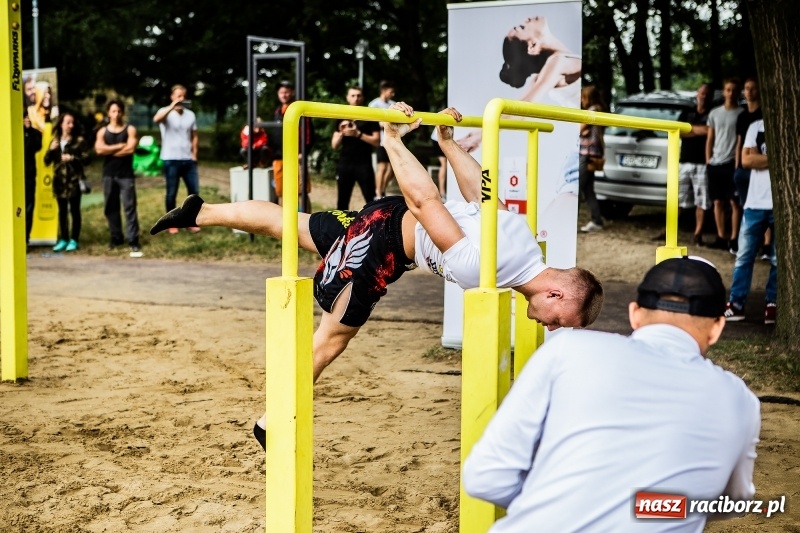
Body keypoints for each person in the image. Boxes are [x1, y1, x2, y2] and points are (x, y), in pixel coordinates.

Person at [150, 104, 604, 450]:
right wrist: (391, 138)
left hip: (382, 218)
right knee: (331, 338)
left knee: (292, 224)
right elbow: (426, 202)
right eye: (561, 319)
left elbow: (479, 187)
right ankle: (272, 420)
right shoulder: (484, 266)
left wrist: (447, 142)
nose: (550, 325)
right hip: (381, 245)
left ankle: (203, 211)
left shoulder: (521, 241)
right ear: (558, 292)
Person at [463, 256, 760, 532]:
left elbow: (485, 477)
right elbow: (733, 501)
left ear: (634, 314)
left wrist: (559, 505)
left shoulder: (567, 350)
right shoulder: (740, 400)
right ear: (717, 328)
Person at [457, 15, 581, 153]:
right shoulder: (557, 62)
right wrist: (482, 134)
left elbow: (519, 106)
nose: (526, 19)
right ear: (533, 46)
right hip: (585, 145)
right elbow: (522, 107)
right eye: (522, 27)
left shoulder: (552, 67)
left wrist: (481, 132)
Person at [724, 118, 776, 325]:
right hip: (754, 203)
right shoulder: (756, 126)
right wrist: (778, 157)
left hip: (780, 205)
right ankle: (736, 304)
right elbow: (746, 161)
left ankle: (772, 303)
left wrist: (759, 157)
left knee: (777, 260)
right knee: (744, 257)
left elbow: (753, 158)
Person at [94, 99, 143, 257]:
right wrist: (118, 147)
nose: (116, 114)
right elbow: (99, 150)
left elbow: (130, 149)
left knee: (129, 207)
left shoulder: (130, 129)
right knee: (111, 207)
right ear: (109, 112)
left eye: (119, 111)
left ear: (122, 112)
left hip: (126, 175)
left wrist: (109, 150)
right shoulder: (102, 132)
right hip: (109, 174)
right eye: (113, 111)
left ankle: (133, 240)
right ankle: (116, 237)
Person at [153, 84, 200, 234]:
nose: (181, 99)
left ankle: (191, 222)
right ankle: (171, 223)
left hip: (188, 160)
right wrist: (172, 107)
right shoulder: (164, 112)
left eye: (183, 96)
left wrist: (194, 154)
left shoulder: (190, 115)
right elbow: (156, 119)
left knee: (193, 193)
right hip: (170, 159)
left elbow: (194, 136)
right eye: (178, 96)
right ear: (172, 97)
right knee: (171, 193)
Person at [733, 78, 770, 260]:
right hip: (742, 169)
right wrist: (739, 165)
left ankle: (766, 245)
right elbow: (742, 148)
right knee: (745, 206)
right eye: (746, 88)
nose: (749, 92)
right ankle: (743, 244)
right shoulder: (742, 116)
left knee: (765, 206)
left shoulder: (763, 116)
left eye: (753, 88)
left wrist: (758, 157)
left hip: (763, 174)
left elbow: (754, 155)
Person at [44, 112, 91, 252]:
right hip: (59, 182)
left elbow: (87, 160)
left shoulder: (79, 141)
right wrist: (51, 150)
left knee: (75, 211)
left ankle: (74, 239)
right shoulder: (55, 140)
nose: (71, 125)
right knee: (62, 211)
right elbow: (46, 162)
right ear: (61, 124)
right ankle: (63, 238)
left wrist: (73, 158)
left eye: (72, 123)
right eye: (68, 122)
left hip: (74, 181)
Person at [706, 78, 743, 252]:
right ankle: (721, 236)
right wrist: (708, 159)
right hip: (715, 162)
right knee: (718, 202)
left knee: (734, 202)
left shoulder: (742, 113)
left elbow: (740, 140)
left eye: (734, 90)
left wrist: (737, 163)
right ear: (724, 91)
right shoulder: (714, 113)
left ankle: (734, 238)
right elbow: (710, 138)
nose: (731, 93)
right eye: (728, 90)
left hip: (731, 163)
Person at [676, 83, 714, 246]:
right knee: (676, 198)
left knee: (702, 200)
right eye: (701, 93)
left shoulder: (713, 113)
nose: (703, 96)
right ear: (697, 94)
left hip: (702, 163)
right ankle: (671, 231)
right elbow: (678, 131)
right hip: (683, 162)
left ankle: (697, 234)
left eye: (706, 94)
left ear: (710, 96)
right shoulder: (687, 111)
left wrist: (690, 130)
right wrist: (700, 130)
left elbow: (710, 131)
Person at [331, 86, 380, 209]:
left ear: (363, 97)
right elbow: (334, 145)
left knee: (371, 200)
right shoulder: (341, 116)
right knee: (342, 202)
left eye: (358, 95)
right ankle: (341, 228)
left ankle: (374, 226)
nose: (356, 98)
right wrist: (342, 132)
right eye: (353, 95)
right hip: (345, 164)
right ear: (347, 98)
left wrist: (357, 134)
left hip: (364, 164)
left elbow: (377, 141)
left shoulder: (370, 115)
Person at [269, 81, 314, 212]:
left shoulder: (298, 109)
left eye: (287, 91)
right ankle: (284, 227)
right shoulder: (277, 111)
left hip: (296, 157)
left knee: (301, 191)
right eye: (281, 92)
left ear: (292, 92)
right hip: (279, 158)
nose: (284, 94)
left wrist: (303, 153)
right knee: (281, 192)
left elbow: (308, 134)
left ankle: (306, 222)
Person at [577, 85, 606, 233]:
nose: (581, 101)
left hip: (586, 154)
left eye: (583, 97)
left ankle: (569, 222)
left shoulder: (593, 111)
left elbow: (580, 128)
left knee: (575, 188)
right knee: (588, 190)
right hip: (592, 154)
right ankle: (597, 220)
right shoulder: (599, 110)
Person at [368, 80, 397, 198]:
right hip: (381, 141)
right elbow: (372, 123)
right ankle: (378, 193)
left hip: (393, 140)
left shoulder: (393, 104)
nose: (393, 94)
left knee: (392, 169)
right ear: (384, 91)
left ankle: (382, 189)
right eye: (391, 92)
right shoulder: (374, 105)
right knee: (382, 167)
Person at [23, 106, 43, 245]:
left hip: (29, 175)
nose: (26, 120)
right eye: (24, 118)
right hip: (14, 177)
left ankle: (26, 238)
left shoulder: (35, 134)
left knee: (29, 207)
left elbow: (35, 146)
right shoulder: (14, 133)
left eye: (28, 117)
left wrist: (28, 130)